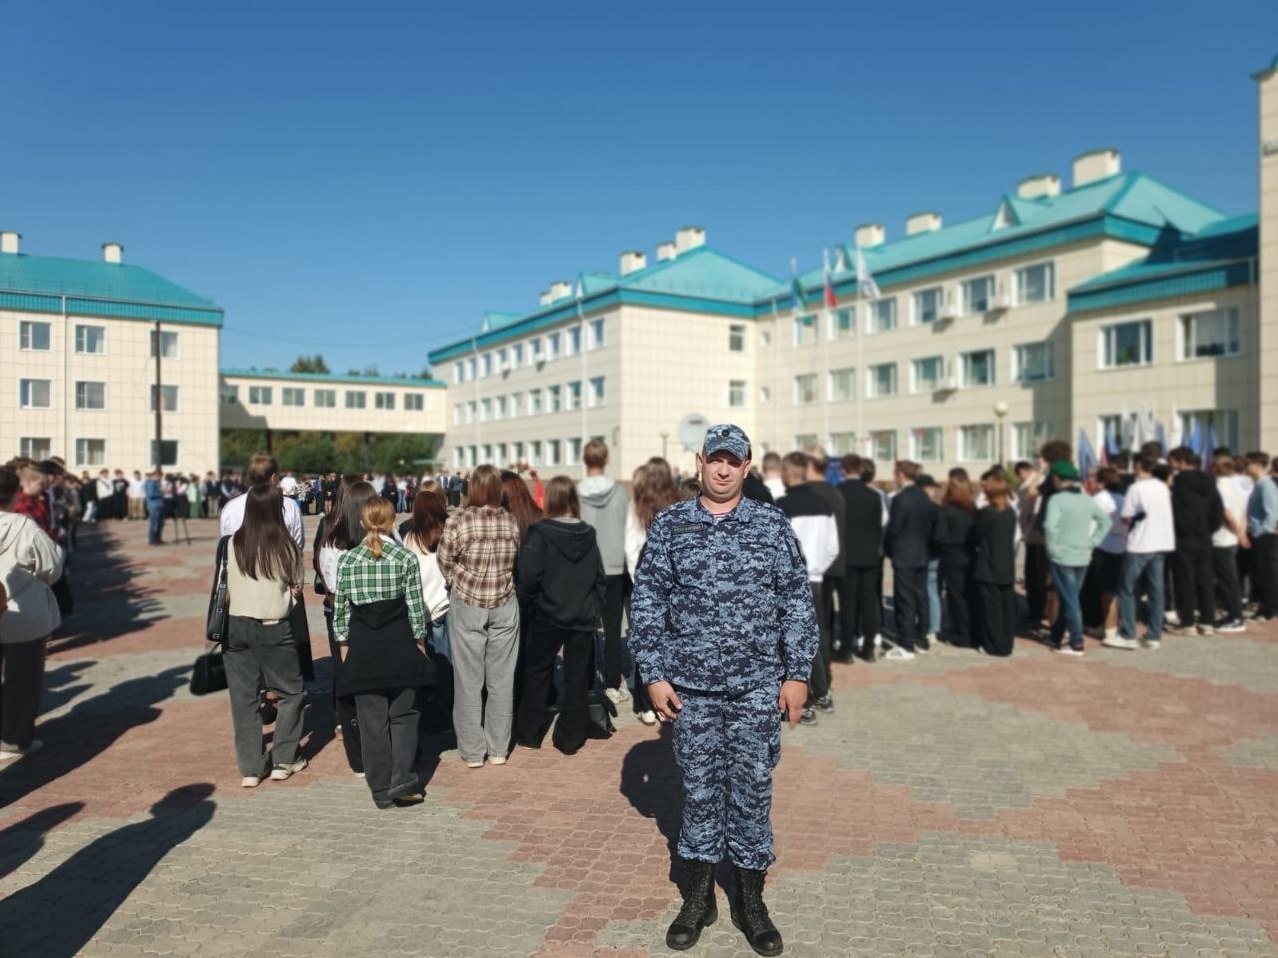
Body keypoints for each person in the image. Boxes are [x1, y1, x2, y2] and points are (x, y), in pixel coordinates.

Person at [630, 424, 816, 955]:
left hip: (757, 687)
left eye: (733, 461)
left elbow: (796, 603)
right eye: (715, 459)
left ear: (747, 466)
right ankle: (697, 898)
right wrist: (654, 674)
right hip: (692, 691)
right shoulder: (670, 525)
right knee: (700, 793)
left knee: (754, 792)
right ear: (699, 462)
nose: (723, 469)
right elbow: (647, 604)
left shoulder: (770, 525)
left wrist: (798, 674)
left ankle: (750, 901)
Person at [333, 497, 434, 808]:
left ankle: (379, 787)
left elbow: (341, 613)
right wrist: (420, 644)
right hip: (400, 642)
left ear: (363, 523)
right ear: (392, 522)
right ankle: (402, 779)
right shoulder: (405, 559)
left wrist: (344, 650)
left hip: (364, 646)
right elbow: (417, 610)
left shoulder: (348, 560)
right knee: (404, 715)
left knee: (371, 720)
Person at [514, 477, 607, 755]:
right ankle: (571, 736)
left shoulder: (540, 533)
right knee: (577, 677)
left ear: (551, 499)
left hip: (547, 613)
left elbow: (529, 575)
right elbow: (599, 578)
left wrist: (525, 602)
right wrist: (593, 609)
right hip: (581, 616)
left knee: (537, 672)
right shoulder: (588, 533)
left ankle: (530, 732)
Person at [223, 484, 307, 788]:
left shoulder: (233, 542)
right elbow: (297, 583)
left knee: (243, 698)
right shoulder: (284, 544)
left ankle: (251, 767)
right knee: (291, 691)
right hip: (274, 623)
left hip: (236, 624)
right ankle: (284, 759)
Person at [437, 465, 521, 768]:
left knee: (468, 679)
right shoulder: (510, 522)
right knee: (501, 679)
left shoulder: (460, 521)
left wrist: (458, 577)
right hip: (504, 602)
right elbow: (514, 558)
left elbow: (444, 558)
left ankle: (473, 751)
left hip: (469, 602)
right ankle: (498, 748)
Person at [0, 466, 64, 760]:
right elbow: (51, 565)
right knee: (22, 681)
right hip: (23, 616)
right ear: (15, 493)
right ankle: (14, 739)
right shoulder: (23, 527)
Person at [317, 477, 377, 773]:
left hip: (342, 619)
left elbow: (331, 585)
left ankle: (358, 757)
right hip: (377, 620)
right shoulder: (385, 542)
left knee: (347, 683)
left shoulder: (331, 543)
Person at [775, 452, 839, 724]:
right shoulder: (824, 504)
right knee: (818, 634)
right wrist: (818, 570)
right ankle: (823, 692)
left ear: (789, 474)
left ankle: (807, 700)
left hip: (792, 581)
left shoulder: (782, 505)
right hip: (816, 578)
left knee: (794, 641)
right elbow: (832, 546)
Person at [622, 457, 679, 726]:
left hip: (645, 583)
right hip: (674, 586)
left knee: (645, 641)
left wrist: (640, 582)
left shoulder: (637, 504)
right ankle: (669, 701)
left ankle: (645, 704)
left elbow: (631, 547)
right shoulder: (679, 504)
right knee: (671, 641)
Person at [577, 440, 631, 707]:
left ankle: (587, 681)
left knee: (586, 626)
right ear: (607, 459)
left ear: (585, 460)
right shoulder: (620, 494)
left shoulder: (577, 493)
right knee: (612, 628)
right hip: (614, 565)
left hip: (586, 565)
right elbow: (628, 529)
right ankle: (612, 681)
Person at [1105, 454, 1176, 651]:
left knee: (1126, 588)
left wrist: (1134, 518)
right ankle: (1154, 635)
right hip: (1162, 543)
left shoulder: (1135, 488)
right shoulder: (1162, 486)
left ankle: (1128, 634)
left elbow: (1125, 517)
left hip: (1141, 543)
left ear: (1138, 465)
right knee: (1156, 590)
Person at [1042, 461, 1110, 656]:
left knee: (1071, 601)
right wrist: (1092, 542)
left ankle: (1076, 643)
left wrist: (1052, 550)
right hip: (1083, 555)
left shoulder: (1056, 500)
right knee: (1069, 598)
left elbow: (1049, 526)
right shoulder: (1086, 499)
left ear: (1056, 478)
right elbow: (1105, 521)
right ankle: (1056, 636)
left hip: (1062, 556)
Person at [401, 483, 453, 734]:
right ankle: (446, 712)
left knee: (423, 664)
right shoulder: (447, 534)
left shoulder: (408, 539)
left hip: (419, 610)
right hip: (443, 607)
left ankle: (426, 712)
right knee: (445, 664)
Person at [1167, 448, 1223, 636]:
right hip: (1204, 537)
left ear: (1181, 462)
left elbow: (1173, 512)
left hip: (1183, 538)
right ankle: (1208, 621)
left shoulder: (1178, 483)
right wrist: (1209, 529)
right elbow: (1218, 509)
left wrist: (1179, 530)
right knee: (1205, 579)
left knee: (1185, 579)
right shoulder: (1209, 480)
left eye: (1173, 461)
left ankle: (1188, 622)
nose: (1171, 465)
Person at [886, 460, 935, 660]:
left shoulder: (901, 498)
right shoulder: (924, 496)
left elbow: (894, 529)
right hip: (922, 553)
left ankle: (906, 645)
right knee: (921, 597)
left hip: (904, 554)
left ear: (901, 475)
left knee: (905, 599)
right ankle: (921, 638)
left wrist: (889, 550)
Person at [839, 453, 885, 663]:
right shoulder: (874, 495)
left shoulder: (838, 493)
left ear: (844, 470)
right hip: (870, 556)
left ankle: (847, 649)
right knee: (869, 602)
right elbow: (878, 526)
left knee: (848, 604)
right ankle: (868, 648)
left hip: (847, 556)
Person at [972, 473, 1017, 656]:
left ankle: (994, 645)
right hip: (1006, 565)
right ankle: (1006, 643)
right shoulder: (1010, 512)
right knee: (1006, 608)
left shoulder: (987, 513)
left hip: (988, 566)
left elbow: (976, 537)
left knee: (991, 609)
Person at [934, 476, 977, 648]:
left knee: (956, 596)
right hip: (971, 555)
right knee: (970, 595)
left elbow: (940, 537)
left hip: (952, 556)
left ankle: (961, 634)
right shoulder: (973, 509)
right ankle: (972, 631)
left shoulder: (947, 511)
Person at [1086, 466, 1127, 642]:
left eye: (1096, 480)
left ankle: (1109, 629)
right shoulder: (1123, 499)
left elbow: (1091, 525)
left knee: (1105, 590)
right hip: (1121, 545)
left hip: (1103, 546)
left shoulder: (1099, 499)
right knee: (1115, 588)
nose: (1093, 483)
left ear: (1103, 482)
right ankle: (1111, 624)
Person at [1212, 454, 1249, 632]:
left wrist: (1236, 531)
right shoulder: (1237, 485)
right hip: (1232, 537)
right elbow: (1242, 511)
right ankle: (1233, 614)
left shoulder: (1219, 486)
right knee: (1230, 578)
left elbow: (1226, 513)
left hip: (1222, 537)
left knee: (1227, 580)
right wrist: (1241, 532)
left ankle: (1236, 618)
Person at [1244, 452, 1278, 621]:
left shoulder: (1266, 486)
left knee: (1266, 573)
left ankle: (1269, 608)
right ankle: (1266, 606)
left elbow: (1272, 513)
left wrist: (1260, 531)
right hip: (1260, 534)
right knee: (1260, 573)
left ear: (1257, 466)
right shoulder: (1260, 484)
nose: (1246, 466)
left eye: (1248, 463)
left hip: (1264, 536)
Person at [143, 469, 166, 545]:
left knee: (161, 523)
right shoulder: (151, 483)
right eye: (160, 477)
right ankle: (152, 540)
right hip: (154, 505)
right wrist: (162, 493)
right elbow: (151, 495)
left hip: (159, 505)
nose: (161, 478)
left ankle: (158, 538)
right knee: (154, 523)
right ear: (156, 475)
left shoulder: (156, 482)